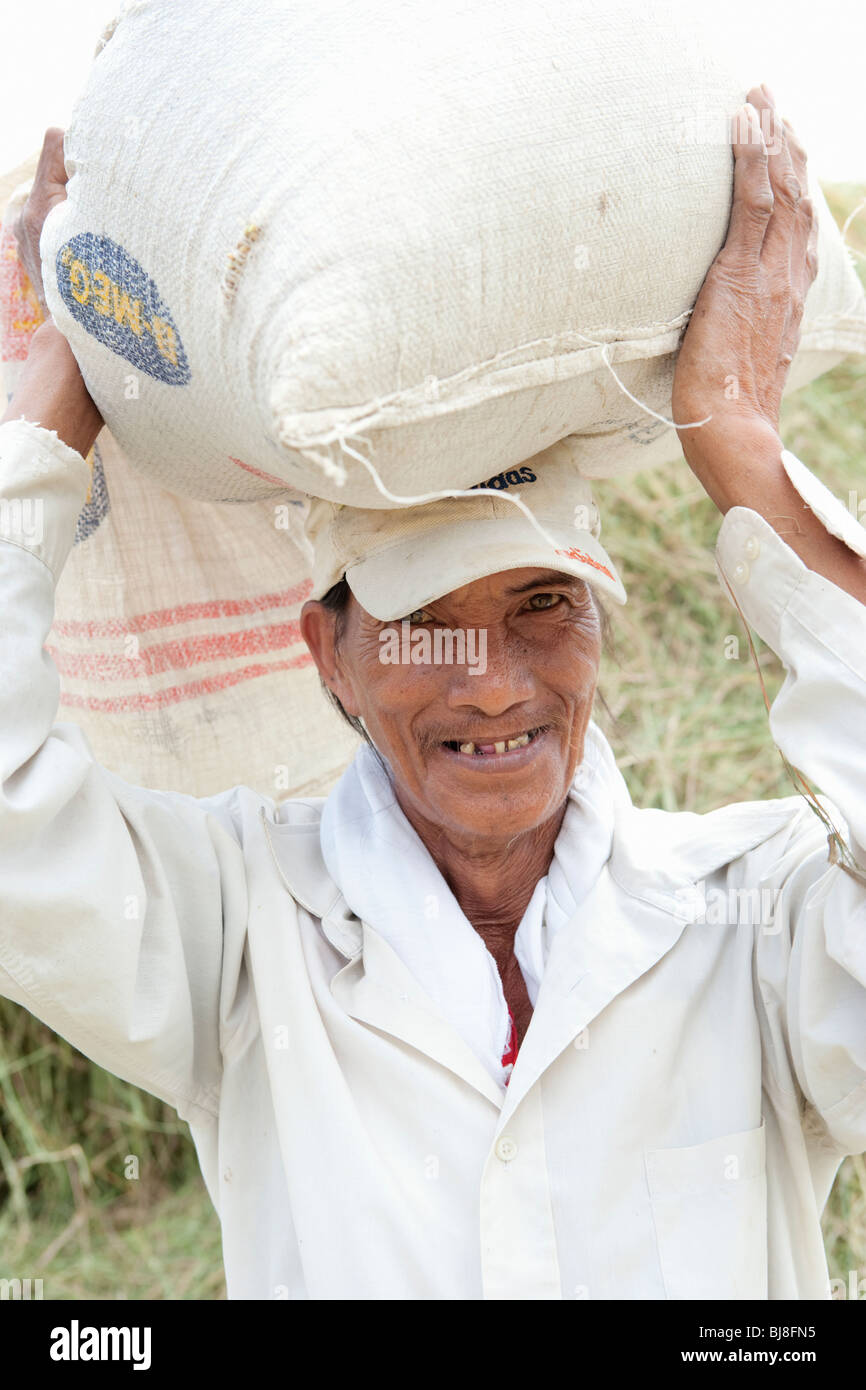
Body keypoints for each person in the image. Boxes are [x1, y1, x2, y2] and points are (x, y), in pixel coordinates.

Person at [1, 85, 864, 1301]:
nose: (494, 683)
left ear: (599, 624)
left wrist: (736, 444)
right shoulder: (239, 936)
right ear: (327, 652)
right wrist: (53, 406)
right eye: (420, 624)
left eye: (541, 606)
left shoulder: (754, 921)